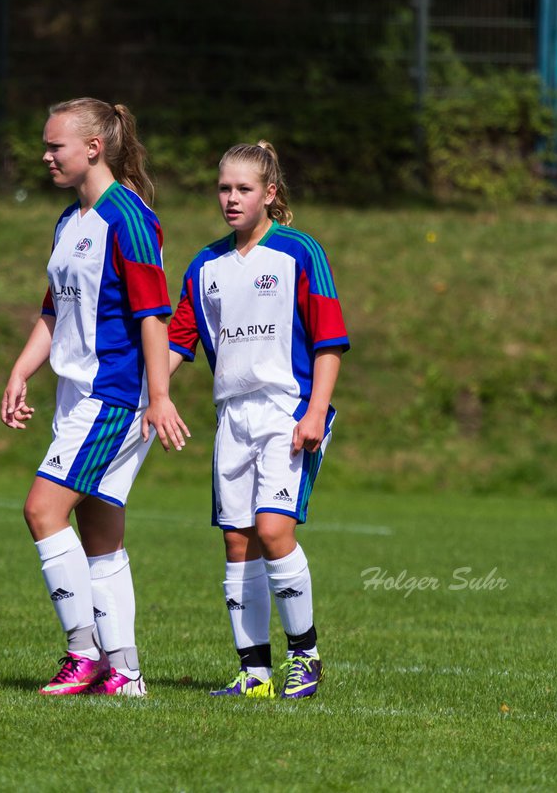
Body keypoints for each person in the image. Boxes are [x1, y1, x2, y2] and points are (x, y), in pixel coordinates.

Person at [0, 97, 189, 697]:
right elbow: (54, 311)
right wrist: (21, 371)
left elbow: (154, 317)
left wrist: (157, 396)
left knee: (42, 510)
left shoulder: (128, 218)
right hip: (75, 396)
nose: (46, 155)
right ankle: (125, 672)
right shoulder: (68, 220)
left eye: (56, 145)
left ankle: (83, 652)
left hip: (112, 398)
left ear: (92, 148)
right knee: (102, 535)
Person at [167, 141, 348, 699]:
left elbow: (329, 339)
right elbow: (179, 338)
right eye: (223, 188)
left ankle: (307, 658)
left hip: (287, 411)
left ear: (270, 193)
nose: (231, 198)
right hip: (232, 418)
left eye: (243, 189)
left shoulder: (298, 251)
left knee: (273, 531)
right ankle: (255, 673)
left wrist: (316, 410)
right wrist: (153, 393)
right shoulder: (207, 264)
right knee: (238, 543)